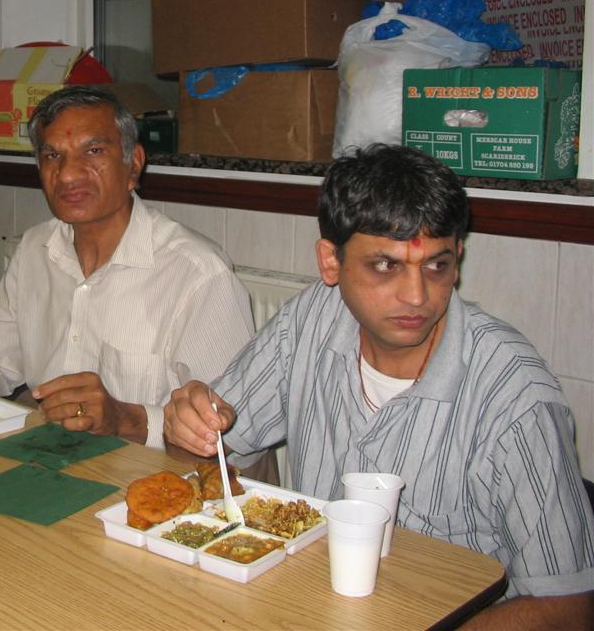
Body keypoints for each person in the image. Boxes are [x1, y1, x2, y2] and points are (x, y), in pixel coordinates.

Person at [164, 144, 594, 628]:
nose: (417, 296)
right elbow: (209, 457)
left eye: (437, 265)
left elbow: (569, 604)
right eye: (386, 265)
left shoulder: (516, 396)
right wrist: (187, 426)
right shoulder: (310, 322)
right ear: (331, 262)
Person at [0, 85, 255, 450]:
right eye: (52, 156)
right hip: (50, 461)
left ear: (134, 164)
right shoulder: (35, 250)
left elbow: (233, 434)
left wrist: (123, 418)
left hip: (154, 485)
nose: (66, 175)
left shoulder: (197, 273)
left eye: (93, 151)